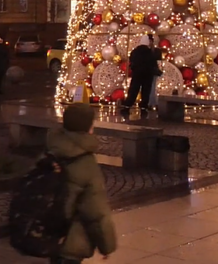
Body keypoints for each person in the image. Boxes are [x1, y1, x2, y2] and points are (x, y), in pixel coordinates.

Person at [46, 103, 117, 264]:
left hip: (50, 234)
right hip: (72, 242)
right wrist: (106, 246)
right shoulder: (85, 162)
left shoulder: (52, 148)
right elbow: (96, 211)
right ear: (88, 127)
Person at [123, 36, 162, 111]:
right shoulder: (149, 52)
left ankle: (128, 103)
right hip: (147, 74)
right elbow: (152, 63)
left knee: (134, 89)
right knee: (146, 90)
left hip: (137, 73)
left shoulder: (135, 51)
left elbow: (132, 60)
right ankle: (144, 105)